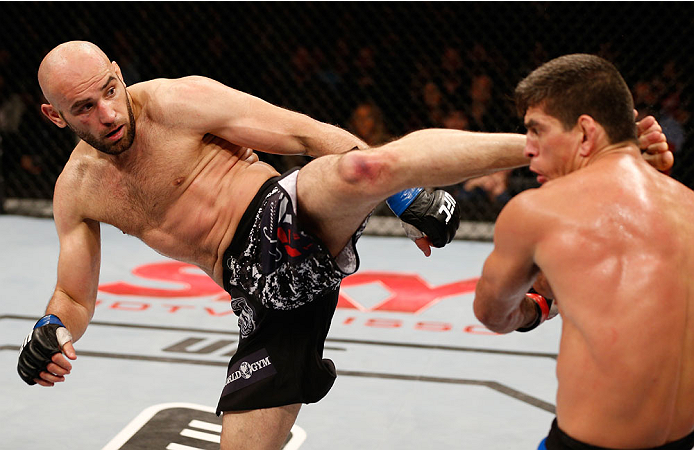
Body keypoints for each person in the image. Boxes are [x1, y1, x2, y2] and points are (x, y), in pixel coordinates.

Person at [16, 42, 670, 449]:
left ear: (118, 72)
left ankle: (556, 150)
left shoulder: (175, 103)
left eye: (109, 90)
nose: (107, 112)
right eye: (84, 108)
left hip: (283, 214)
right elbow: (74, 293)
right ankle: (304, 357)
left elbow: (306, 133)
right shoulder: (80, 189)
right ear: (54, 117)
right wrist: (52, 332)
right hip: (261, 298)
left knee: (364, 168)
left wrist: (401, 195)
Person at [473, 54, 694, 449]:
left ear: (586, 132)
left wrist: (539, 306)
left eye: (537, 130)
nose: (527, 149)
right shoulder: (688, 205)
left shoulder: (536, 210)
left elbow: (493, 314)